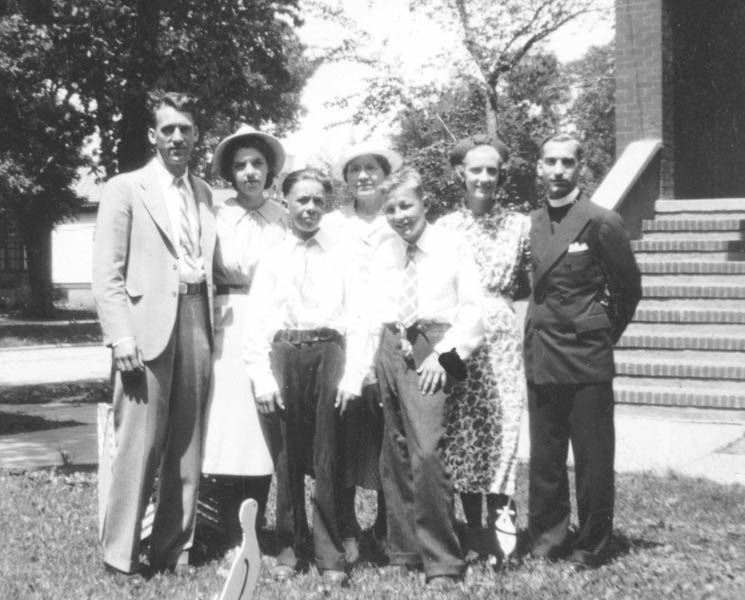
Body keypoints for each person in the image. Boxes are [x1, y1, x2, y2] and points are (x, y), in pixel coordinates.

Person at [92, 90, 216, 575]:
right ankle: (120, 556)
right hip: (144, 329)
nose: (177, 137)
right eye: (168, 129)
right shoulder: (125, 188)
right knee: (138, 446)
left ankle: (173, 550)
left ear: (197, 136)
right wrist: (120, 336)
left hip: (196, 317)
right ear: (153, 135)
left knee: (187, 443)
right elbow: (107, 273)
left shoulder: (203, 192)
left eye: (185, 129)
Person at [243, 168, 368, 587]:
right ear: (286, 201)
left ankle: (329, 550)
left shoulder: (343, 254)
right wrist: (262, 377)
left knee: (328, 455)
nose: (310, 208)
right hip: (284, 355)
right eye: (302, 199)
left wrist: (353, 376)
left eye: (318, 200)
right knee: (287, 457)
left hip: (329, 352)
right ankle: (289, 546)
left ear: (326, 204)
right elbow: (256, 321)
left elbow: (360, 317)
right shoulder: (273, 257)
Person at [525, 134, 641, 568]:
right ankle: (548, 539)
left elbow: (627, 290)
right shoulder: (531, 223)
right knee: (546, 457)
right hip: (542, 354)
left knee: (593, 459)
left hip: (586, 358)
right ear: (539, 166)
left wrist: (596, 332)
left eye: (567, 162)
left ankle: (592, 544)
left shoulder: (600, 221)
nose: (558, 170)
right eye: (550, 161)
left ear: (580, 167)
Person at [366, 167, 485, 589]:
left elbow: (474, 311)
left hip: (435, 344)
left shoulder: (452, 245)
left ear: (424, 203)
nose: (400, 216)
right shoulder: (384, 249)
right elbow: (373, 306)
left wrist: (444, 357)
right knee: (395, 451)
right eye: (391, 209)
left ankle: (443, 560)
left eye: (406, 206)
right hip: (390, 344)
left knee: (429, 452)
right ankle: (405, 550)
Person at [438, 135, 530, 561]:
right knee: (464, 429)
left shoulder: (520, 226)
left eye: (492, 170)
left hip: (502, 338)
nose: (484, 178)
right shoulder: (445, 228)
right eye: (476, 170)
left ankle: (502, 519)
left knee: (504, 425)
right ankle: (473, 528)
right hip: (460, 336)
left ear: (501, 175)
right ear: (461, 174)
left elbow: (529, 285)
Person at [200, 125, 287, 549]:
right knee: (229, 423)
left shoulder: (284, 217)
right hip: (228, 320)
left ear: (269, 170)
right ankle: (227, 528)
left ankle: (257, 521)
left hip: (272, 322)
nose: (250, 172)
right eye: (240, 165)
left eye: (257, 163)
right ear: (229, 173)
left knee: (262, 422)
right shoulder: (216, 216)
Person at [326, 142, 403, 561]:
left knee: (392, 435)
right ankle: (347, 526)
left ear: (385, 175)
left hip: (390, 339)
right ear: (346, 179)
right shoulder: (333, 225)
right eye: (354, 169)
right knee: (344, 434)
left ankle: (389, 528)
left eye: (372, 167)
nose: (363, 175)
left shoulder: (400, 218)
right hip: (344, 340)